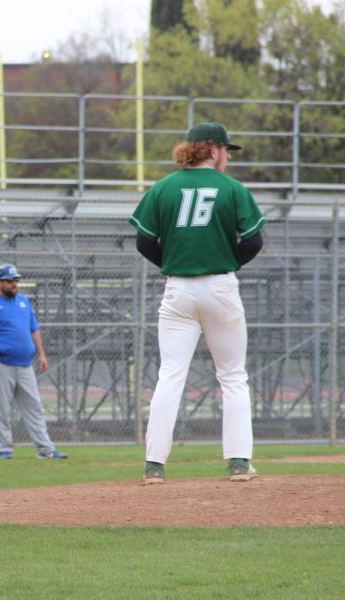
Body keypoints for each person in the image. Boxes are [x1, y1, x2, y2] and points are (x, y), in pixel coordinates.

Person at [128, 122, 265, 484]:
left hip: (178, 290)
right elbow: (253, 242)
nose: (228, 157)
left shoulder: (163, 187)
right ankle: (238, 462)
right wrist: (223, 259)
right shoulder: (231, 189)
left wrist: (176, 262)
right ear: (213, 149)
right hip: (220, 287)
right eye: (226, 150)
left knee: (170, 376)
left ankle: (154, 465)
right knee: (233, 376)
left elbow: (144, 242)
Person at [0, 264, 68, 460]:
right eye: (9, 281)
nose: (14, 284)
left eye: (16, 280)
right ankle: (4, 449)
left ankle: (45, 449)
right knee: (2, 408)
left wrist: (41, 354)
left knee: (34, 407)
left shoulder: (23, 302)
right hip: (0, 363)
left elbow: (34, 329)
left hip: (25, 363)